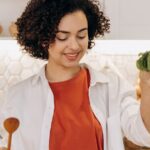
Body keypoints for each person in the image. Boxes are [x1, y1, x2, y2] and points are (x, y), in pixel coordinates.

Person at [0, 0, 150, 150]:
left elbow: (143, 134)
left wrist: (146, 87)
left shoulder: (112, 87)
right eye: (62, 37)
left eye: (81, 35)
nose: (74, 46)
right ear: (43, 39)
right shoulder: (18, 95)